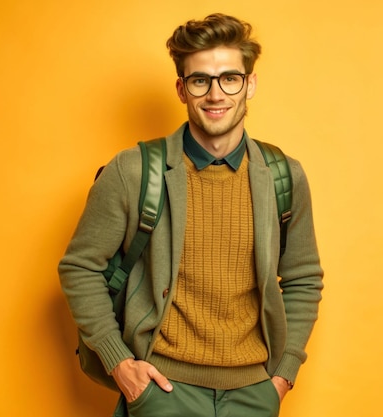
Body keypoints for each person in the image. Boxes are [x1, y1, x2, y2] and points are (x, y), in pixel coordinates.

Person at [59, 13, 323, 417]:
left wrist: (282, 376)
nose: (216, 94)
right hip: (162, 391)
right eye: (200, 80)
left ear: (249, 84)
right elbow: (80, 267)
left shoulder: (284, 175)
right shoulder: (132, 171)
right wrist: (120, 364)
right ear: (182, 89)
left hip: (255, 393)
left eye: (229, 78)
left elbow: (304, 278)